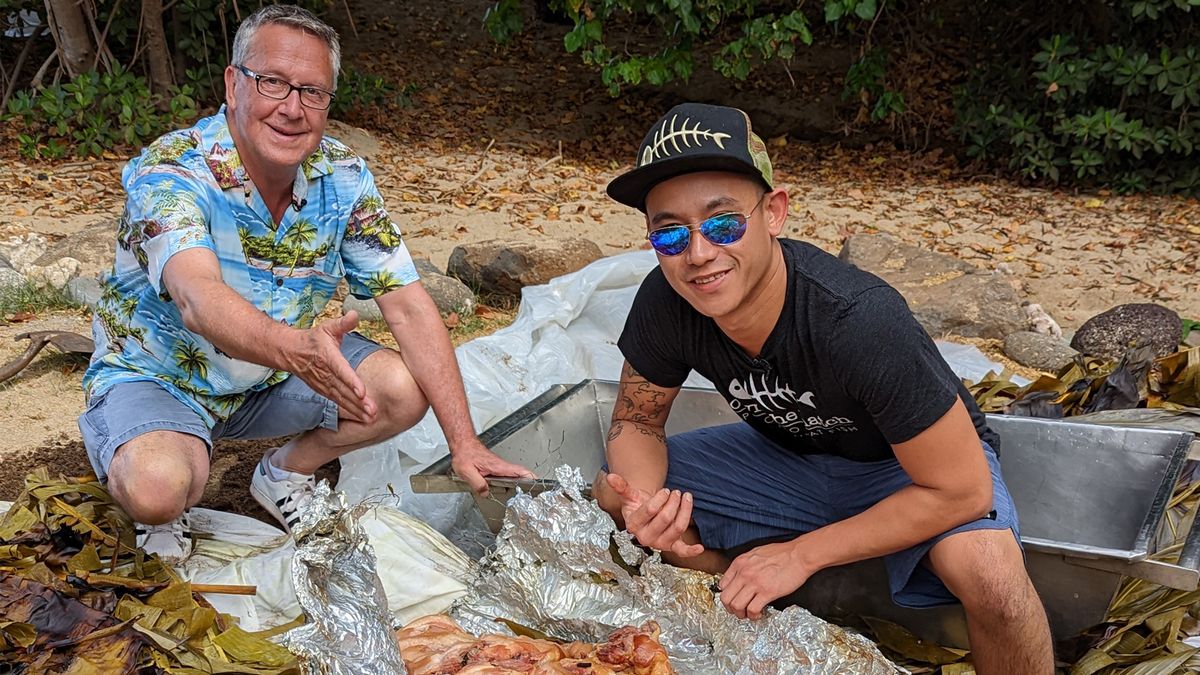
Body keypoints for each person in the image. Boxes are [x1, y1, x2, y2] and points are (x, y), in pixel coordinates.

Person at [594, 103, 1054, 673]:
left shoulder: (857, 320)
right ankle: (731, 616)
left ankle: (774, 572)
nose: (699, 254)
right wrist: (646, 505)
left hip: (906, 470)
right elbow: (637, 421)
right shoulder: (666, 301)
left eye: (723, 223)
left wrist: (799, 555)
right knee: (614, 493)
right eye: (669, 234)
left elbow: (962, 492)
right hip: (785, 457)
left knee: (990, 571)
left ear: (775, 213)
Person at [79, 5, 532, 563]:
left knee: (401, 389)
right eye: (272, 83)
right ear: (233, 84)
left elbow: (410, 307)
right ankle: (142, 452)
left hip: (275, 374)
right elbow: (197, 299)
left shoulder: (343, 176)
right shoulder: (171, 171)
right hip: (163, 375)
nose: (292, 109)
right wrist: (296, 349)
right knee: (157, 490)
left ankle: (282, 473)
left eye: (312, 92)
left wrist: (464, 444)